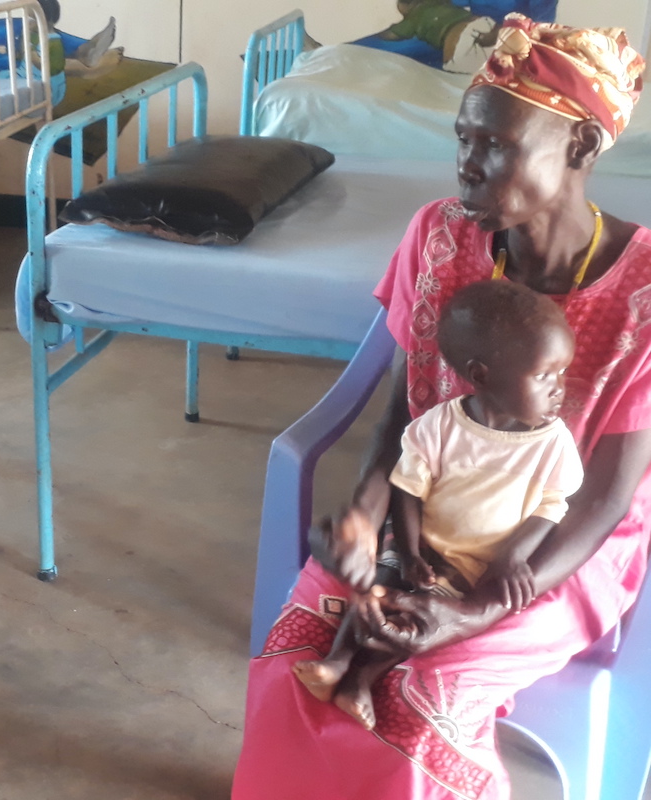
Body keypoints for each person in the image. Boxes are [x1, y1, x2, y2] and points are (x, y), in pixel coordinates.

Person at [232, 15, 647, 799]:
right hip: (427, 528)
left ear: (582, 150)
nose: (468, 167)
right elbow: (401, 420)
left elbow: (605, 500)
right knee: (297, 656)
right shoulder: (438, 239)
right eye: (463, 140)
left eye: (496, 147)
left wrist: (481, 608)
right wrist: (363, 517)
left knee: (416, 702)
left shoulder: (643, 296)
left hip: (552, 558)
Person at [291, 281, 583, 731]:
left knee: (415, 620)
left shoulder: (554, 445)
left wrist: (513, 555)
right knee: (377, 592)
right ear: (482, 375)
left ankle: (361, 680)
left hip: (468, 566)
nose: (559, 388)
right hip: (418, 546)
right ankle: (337, 660)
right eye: (544, 376)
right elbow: (408, 490)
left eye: (562, 373)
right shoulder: (441, 425)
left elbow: (553, 505)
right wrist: (407, 553)